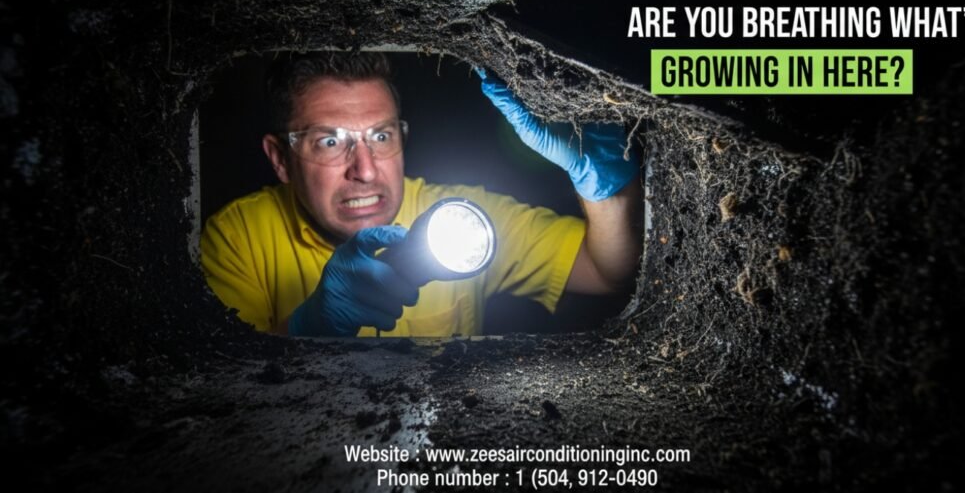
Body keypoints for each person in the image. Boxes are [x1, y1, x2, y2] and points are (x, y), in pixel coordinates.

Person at [200, 52, 642, 337]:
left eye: (381, 136)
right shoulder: (237, 238)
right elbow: (209, 400)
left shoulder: (464, 218)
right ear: (280, 159)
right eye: (330, 142)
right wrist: (309, 325)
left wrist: (603, 183)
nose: (366, 169)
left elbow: (608, 270)